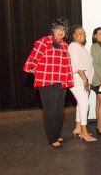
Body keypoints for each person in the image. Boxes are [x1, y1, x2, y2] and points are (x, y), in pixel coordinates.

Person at [23, 18, 73, 149]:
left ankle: (56, 134)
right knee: (50, 111)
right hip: (47, 82)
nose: (60, 32)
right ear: (53, 30)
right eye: (58, 29)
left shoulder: (64, 45)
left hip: (61, 82)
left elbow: (67, 64)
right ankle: (52, 138)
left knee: (58, 111)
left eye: (63, 30)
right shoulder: (44, 41)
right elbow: (33, 59)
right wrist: (39, 74)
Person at [68, 25, 97, 142]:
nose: (83, 35)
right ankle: (84, 132)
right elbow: (77, 64)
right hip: (79, 81)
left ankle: (78, 128)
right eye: (79, 33)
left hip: (84, 81)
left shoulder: (81, 47)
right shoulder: (73, 46)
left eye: (84, 33)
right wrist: (84, 79)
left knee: (81, 104)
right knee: (85, 105)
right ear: (74, 36)